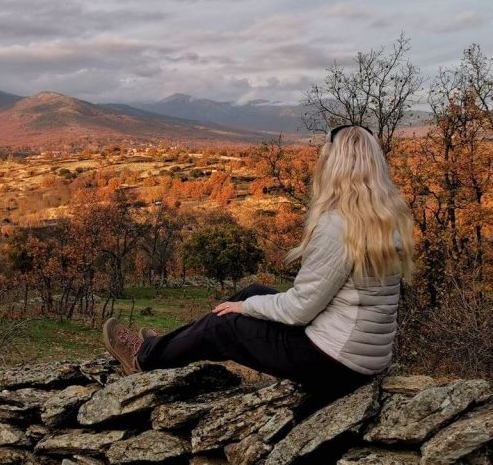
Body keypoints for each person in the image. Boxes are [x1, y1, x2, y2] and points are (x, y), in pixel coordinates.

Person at [102, 125, 414, 399]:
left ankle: (144, 358)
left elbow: (300, 310)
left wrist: (244, 309)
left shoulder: (339, 224)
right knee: (251, 292)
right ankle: (165, 347)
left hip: (334, 362)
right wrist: (249, 303)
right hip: (358, 356)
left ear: (335, 167)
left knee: (224, 323)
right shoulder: (384, 218)